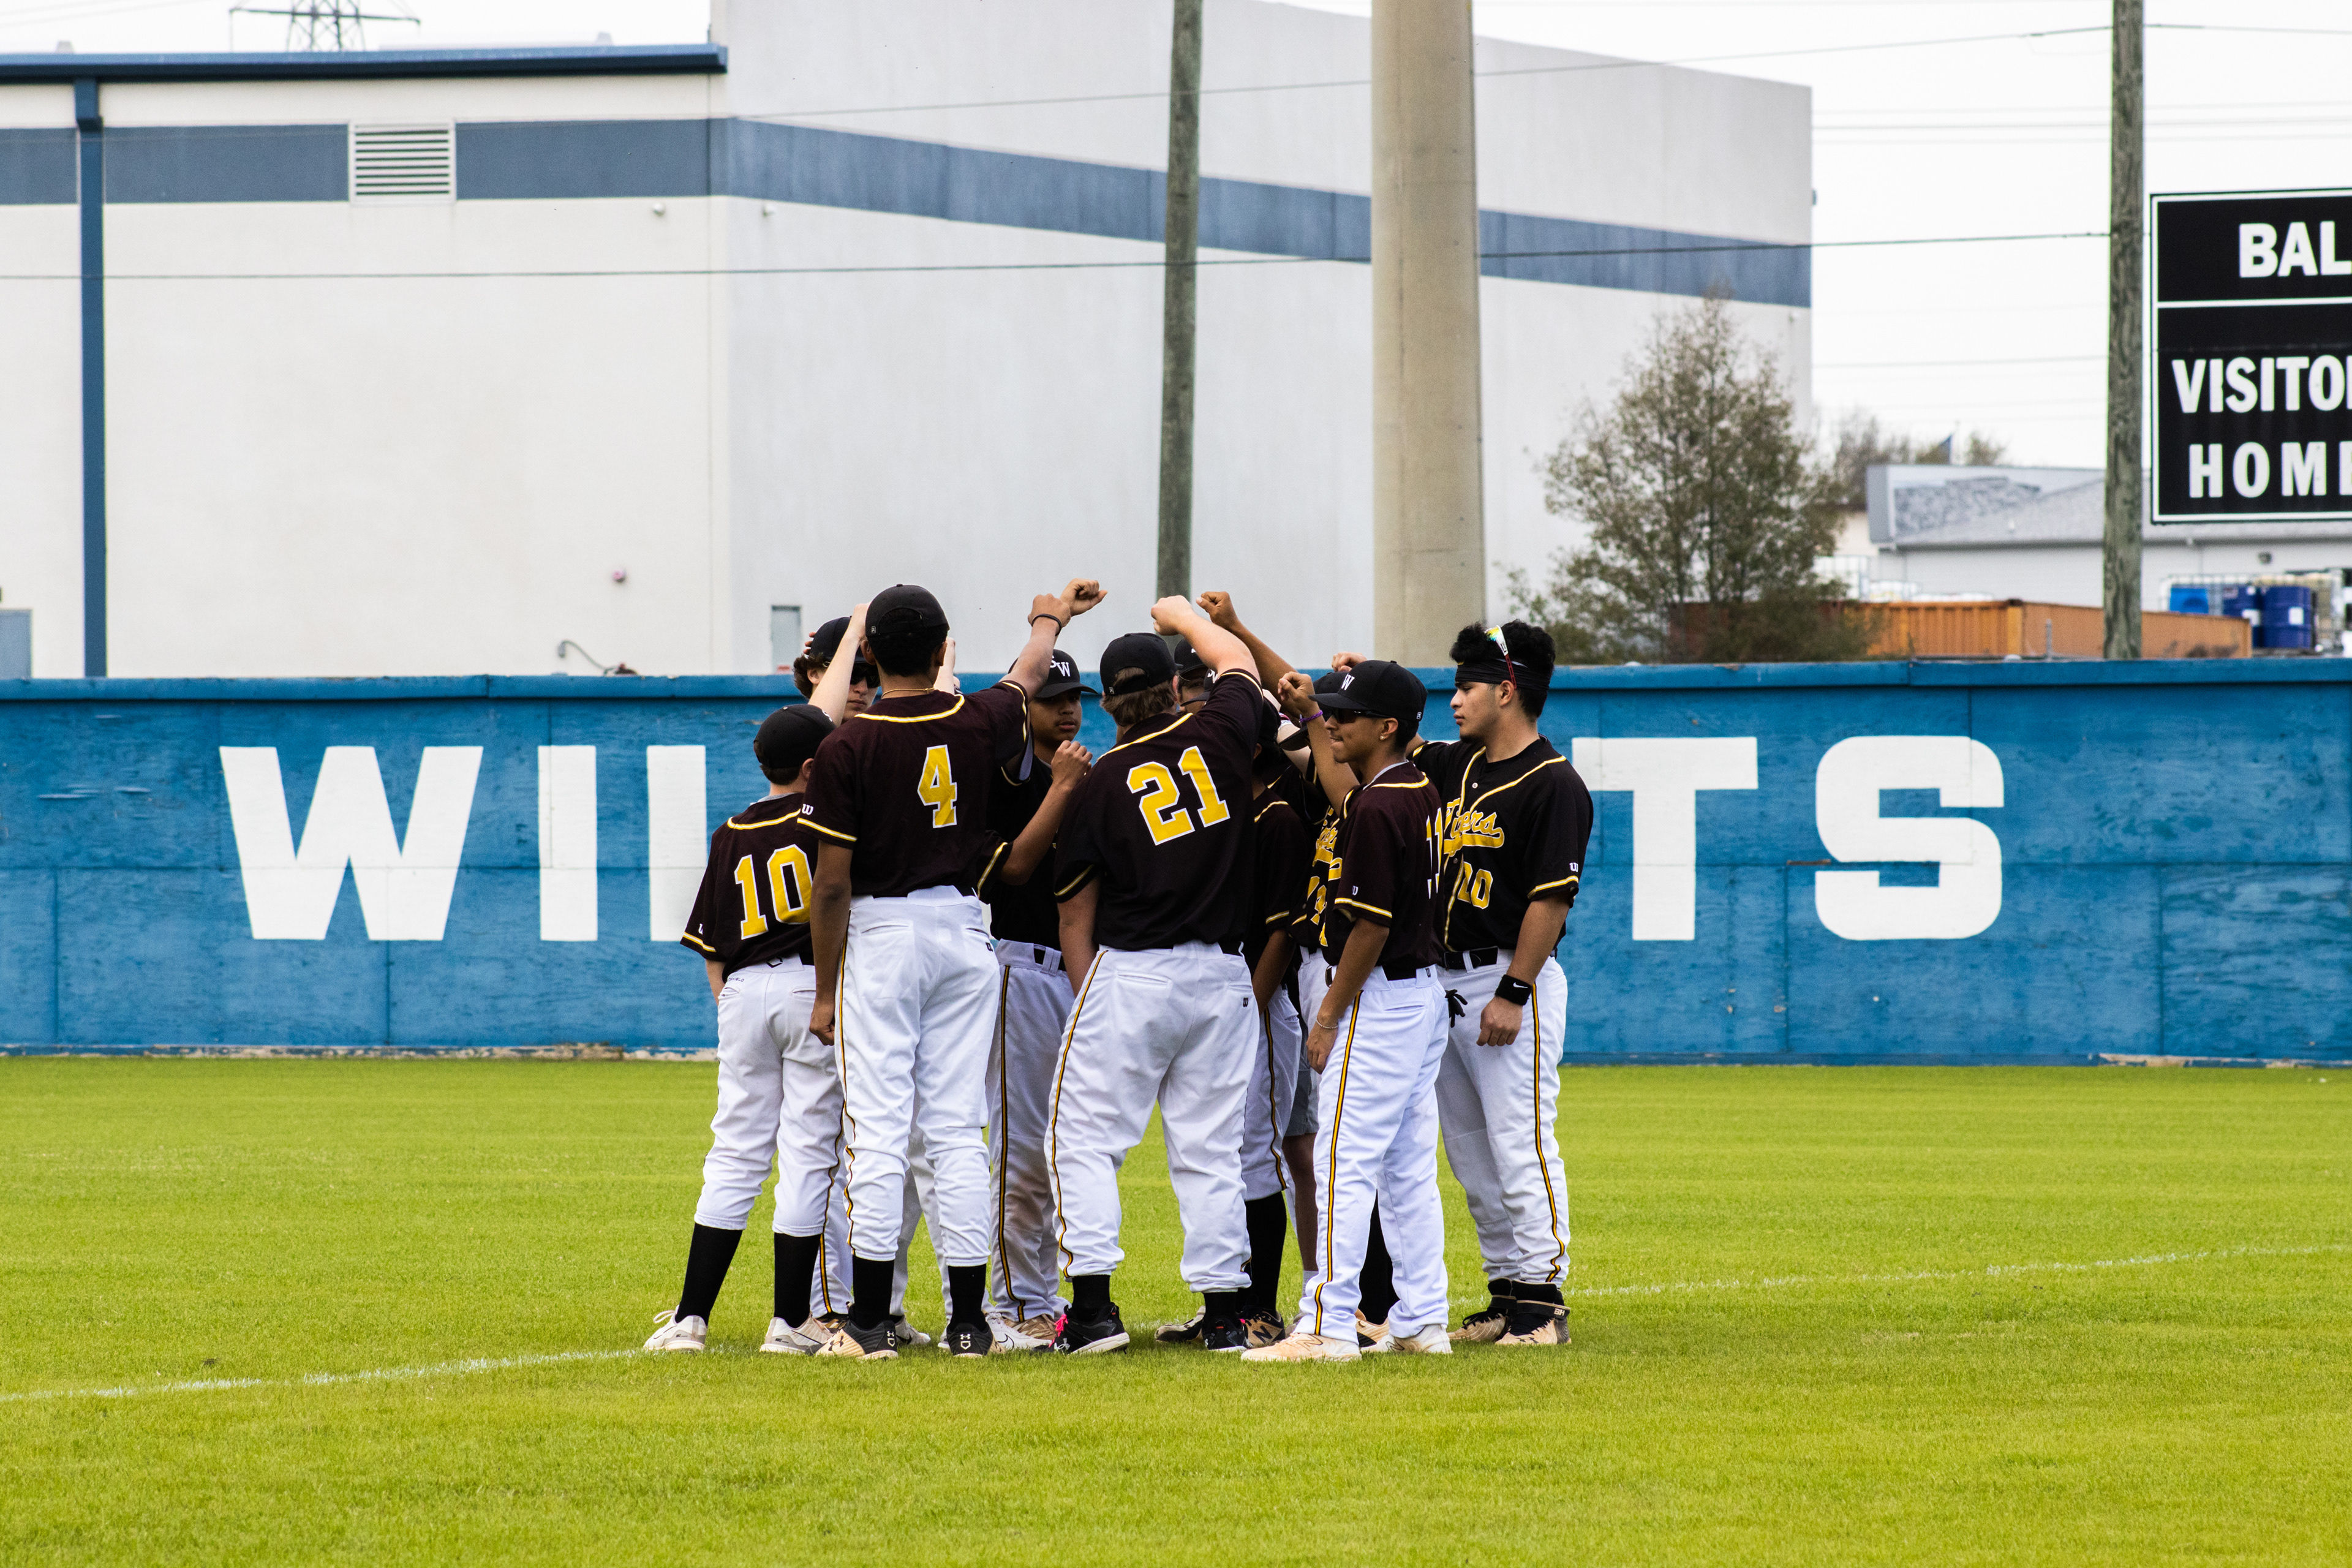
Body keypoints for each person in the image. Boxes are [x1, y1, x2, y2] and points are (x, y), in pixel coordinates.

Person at [804, 578, 1105, 1360]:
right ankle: (971, 1321)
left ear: (871, 652)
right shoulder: (977, 720)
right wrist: (1050, 617)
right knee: (955, 1131)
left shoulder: (846, 746)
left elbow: (831, 884)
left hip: (882, 930)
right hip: (966, 930)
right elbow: (1028, 672)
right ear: (943, 649)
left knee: (878, 1130)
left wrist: (825, 989)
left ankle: (869, 1322)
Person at [645, 608, 873, 1354]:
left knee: (735, 1151)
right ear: (814, 766)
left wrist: (733, 1008)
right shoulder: (826, 818)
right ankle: (789, 1320)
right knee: (808, 1151)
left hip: (743, 993)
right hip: (813, 988)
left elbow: (710, 943)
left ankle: (690, 1317)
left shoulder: (733, 829)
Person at [1046, 597, 1262, 1354]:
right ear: (1176, 685)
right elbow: (1238, 662)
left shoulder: (1100, 779)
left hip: (1135, 972)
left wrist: (1093, 1000)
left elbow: (1075, 914)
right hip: (1226, 976)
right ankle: (1226, 1312)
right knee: (1211, 1150)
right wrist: (1186, 617)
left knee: (1084, 1138)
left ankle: (1094, 1311)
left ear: (1108, 705)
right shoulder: (1221, 729)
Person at [1245, 659, 1452, 1363]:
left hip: (1378, 996)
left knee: (1341, 1160)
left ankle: (1328, 1325)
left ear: (1387, 727)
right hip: (1420, 994)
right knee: (1406, 1166)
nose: (1331, 722)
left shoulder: (1378, 803)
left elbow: (1370, 925)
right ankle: (1422, 1318)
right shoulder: (1418, 788)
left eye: (1346, 715)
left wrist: (1330, 1012)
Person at [1403, 624, 1590, 1347]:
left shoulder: (1554, 783)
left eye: (1467, 686)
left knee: (1520, 1140)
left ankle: (1543, 1302)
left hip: (1509, 976)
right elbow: (1371, 731)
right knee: (1470, 1150)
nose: (1454, 700)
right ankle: (1507, 1291)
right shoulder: (1458, 764)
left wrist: (1515, 991)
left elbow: (1551, 899)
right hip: (1447, 979)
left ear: (1507, 691)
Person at [971, 649, 1095, 1351]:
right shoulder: (1008, 782)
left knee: (1066, 1147)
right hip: (1021, 970)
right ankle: (1019, 1302)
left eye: (1076, 697)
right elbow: (1012, 870)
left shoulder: (1093, 776)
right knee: (1021, 1148)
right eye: (1053, 697)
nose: (1069, 708)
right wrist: (1064, 786)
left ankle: (1047, 1296)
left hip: (1085, 976)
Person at [791, 616, 877, 718]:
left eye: (874, 677)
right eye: (852, 675)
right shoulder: (788, 726)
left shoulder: (887, 728)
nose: (863, 689)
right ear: (815, 674)